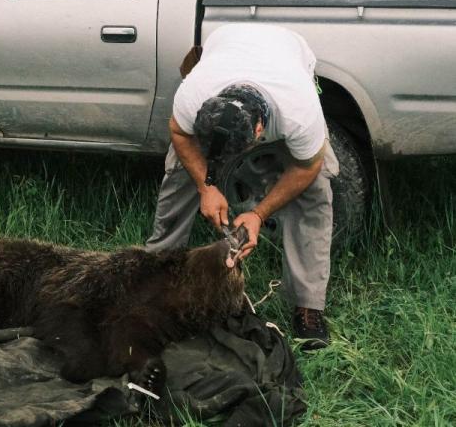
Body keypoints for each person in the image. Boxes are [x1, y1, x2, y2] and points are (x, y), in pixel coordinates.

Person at [145, 23, 338, 350]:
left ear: (260, 128)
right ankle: (154, 274)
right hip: (228, 46)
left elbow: (307, 167)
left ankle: (308, 306)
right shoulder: (194, 94)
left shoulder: (299, 113)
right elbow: (180, 134)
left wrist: (258, 215)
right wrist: (207, 186)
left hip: (288, 55)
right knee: (179, 170)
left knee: (316, 192)